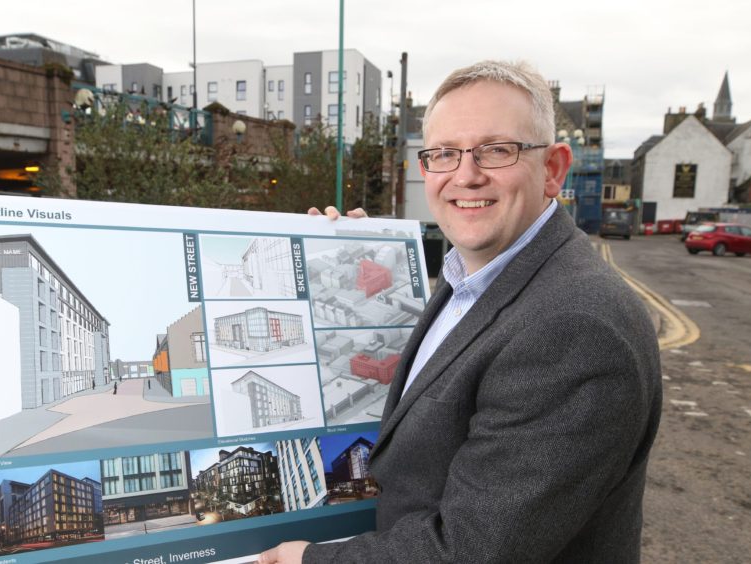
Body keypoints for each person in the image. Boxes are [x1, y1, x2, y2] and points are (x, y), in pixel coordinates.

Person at [259, 60, 662, 563]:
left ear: (553, 169)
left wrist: (308, 561)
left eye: (496, 150)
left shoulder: (575, 326)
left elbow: (470, 550)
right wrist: (338, 255)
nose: (465, 176)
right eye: (444, 154)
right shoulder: (476, 277)